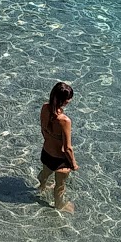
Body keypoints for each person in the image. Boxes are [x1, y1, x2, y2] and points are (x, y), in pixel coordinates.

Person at [36, 81, 79, 213]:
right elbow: (67, 148)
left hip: (47, 152)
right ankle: (59, 206)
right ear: (65, 101)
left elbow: (43, 130)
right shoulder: (64, 120)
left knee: (45, 174)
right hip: (60, 160)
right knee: (60, 185)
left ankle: (41, 188)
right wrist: (73, 164)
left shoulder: (44, 108)